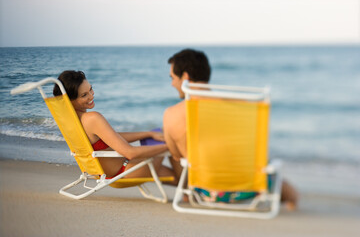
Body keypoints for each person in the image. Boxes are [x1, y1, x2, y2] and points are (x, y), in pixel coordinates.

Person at [163, 49, 299, 210]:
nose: (172, 83)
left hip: (205, 190)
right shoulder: (239, 108)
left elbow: (177, 156)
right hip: (250, 186)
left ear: (185, 77)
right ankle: (292, 205)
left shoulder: (171, 115)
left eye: (172, 78)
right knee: (286, 188)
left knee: (177, 154)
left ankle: (187, 194)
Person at [53, 70, 176, 183]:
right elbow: (130, 152)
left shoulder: (73, 121)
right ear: (70, 100)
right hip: (126, 171)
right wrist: (169, 146)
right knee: (174, 136)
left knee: (176, 176)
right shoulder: (92, 118)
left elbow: (112, 138)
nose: (91, 95)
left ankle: (188, 192)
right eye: (84, 95)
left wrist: (148, 134)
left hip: (112, 171)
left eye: (91, 89)